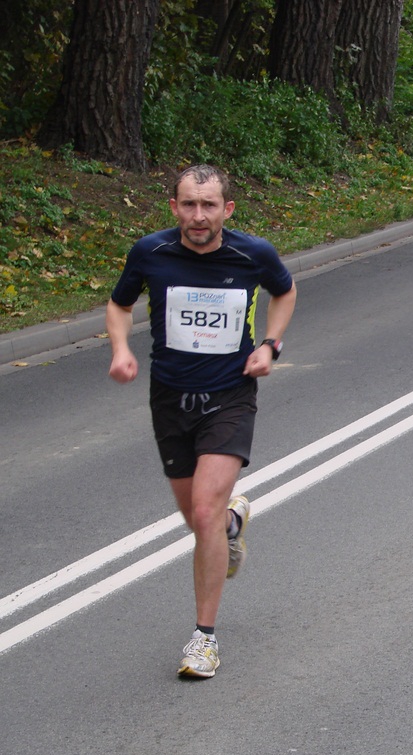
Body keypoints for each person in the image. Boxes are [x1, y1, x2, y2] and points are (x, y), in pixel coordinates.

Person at [106, 164, 297, 678]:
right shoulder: (151, 252)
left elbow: (285, 292)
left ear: (226, 209)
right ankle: (232, 524)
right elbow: (119, 305)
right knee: (198, 517)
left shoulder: (253, 253)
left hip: (230, 395)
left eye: (208, 205)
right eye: (188, 204)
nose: (198, 215)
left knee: (205, 513)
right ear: (174, 207)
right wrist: (121, 348)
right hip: (170, 398)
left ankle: (203, 639)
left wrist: (270, 346)